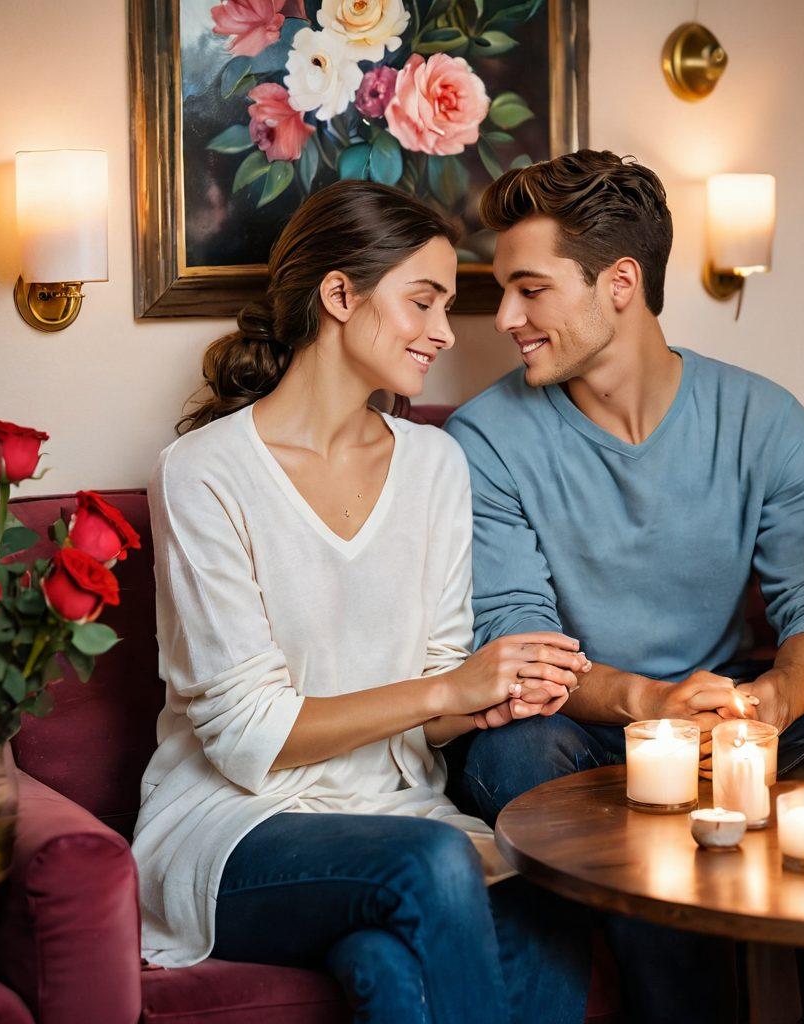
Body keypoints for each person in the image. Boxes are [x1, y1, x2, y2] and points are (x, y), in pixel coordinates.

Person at [443, 149, 804, 1022]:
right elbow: (515, 641)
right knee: (512, 753)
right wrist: (644, 701)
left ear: (619, 282)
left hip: (733, 719)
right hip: (587, 727)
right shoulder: (485, 439)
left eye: (530, 288)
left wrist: (775, 698)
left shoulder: (761, 417)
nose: (505, 316)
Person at [130, 180, 593, 1024]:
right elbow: (247, 740)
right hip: (235, 829)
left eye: (449, 305)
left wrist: (486, 697)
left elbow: (431, 699)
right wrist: (448, 690)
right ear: (339, 294)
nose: (446, 333)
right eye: (423, 301)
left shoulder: (435, 465)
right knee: (432, 868)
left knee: (532, 884)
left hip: (395, 818)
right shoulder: (204, 473)